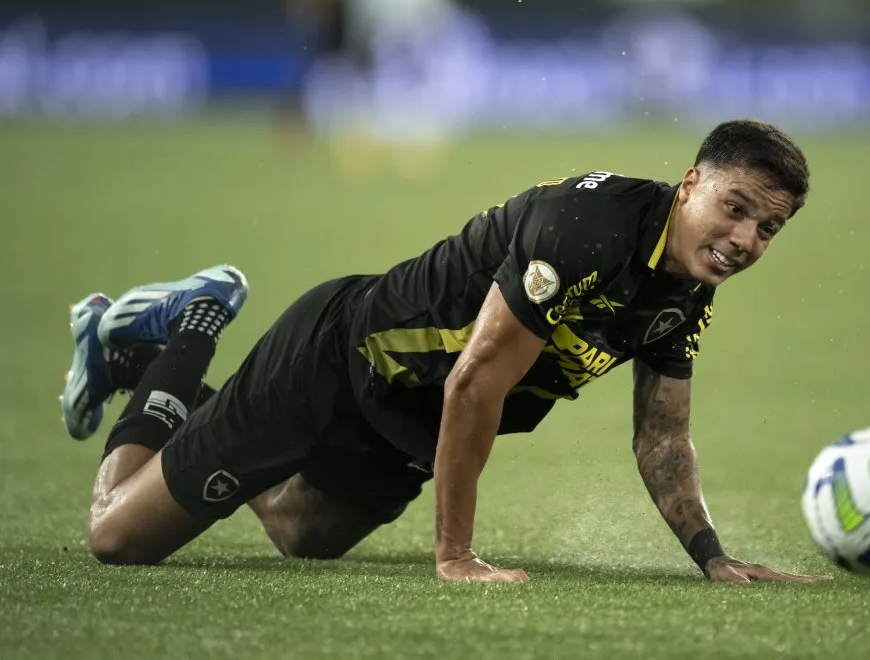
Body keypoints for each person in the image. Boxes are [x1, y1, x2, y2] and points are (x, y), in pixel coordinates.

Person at [59, 119, 830, 584]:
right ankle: (192, 321)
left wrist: (712, 556)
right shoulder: (588, 230)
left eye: (767, 228)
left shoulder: (686, 292)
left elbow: (662, 437)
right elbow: (474, 384)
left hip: (408, 423)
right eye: (735, 208)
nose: (744, 239)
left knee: (302, 535)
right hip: (339, 361)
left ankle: (137, 367)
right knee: (117, 537)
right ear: (690, 183)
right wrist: (455, 553)